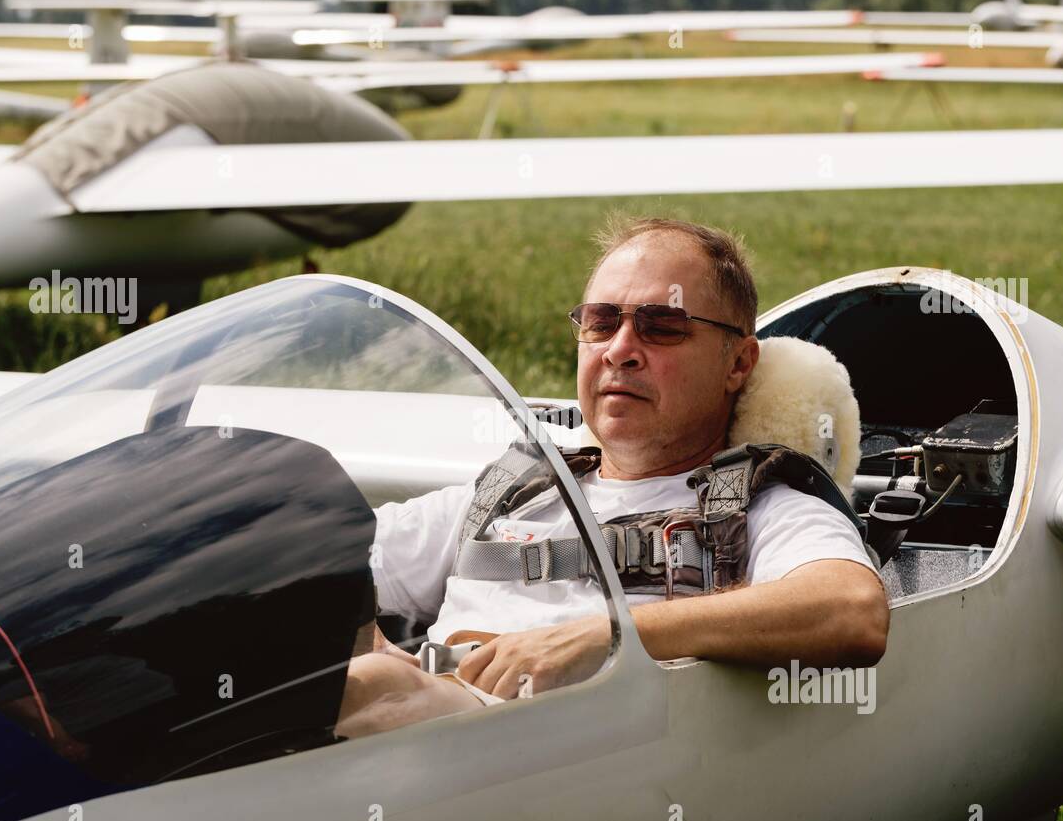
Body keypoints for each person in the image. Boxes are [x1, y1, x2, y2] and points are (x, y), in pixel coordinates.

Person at [335, 216, 889, 739]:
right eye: (602, 322)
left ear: (738, 364)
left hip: (557, 761)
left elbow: (852, 611)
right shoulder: (511, 493)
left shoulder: (761, 508)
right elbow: (324, 559)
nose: (620, 351)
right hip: (406, 739)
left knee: (377, 689)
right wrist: (367, 639)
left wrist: (608, 635)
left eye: (662, 327)